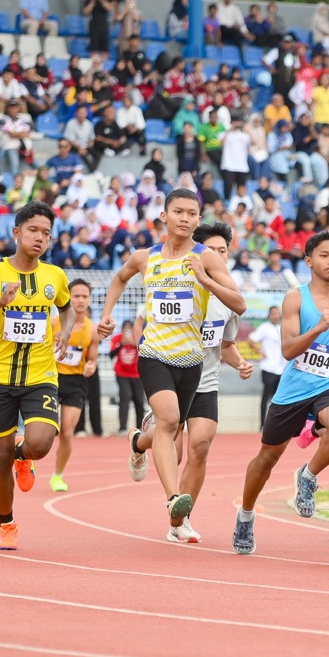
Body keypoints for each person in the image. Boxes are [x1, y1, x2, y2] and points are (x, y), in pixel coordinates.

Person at [97, 188, 246, 524]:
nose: (184, 218)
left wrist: (206, 280)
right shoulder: (144, 257)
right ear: (164, 216)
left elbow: (239, 304)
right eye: (178, 212)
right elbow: (119, 278)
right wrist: (107, 314)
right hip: (154, 354)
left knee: (174, 428)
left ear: (198, 219)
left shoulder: (206, 258)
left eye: (192, 213)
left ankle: (138, 443)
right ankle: (173, 500)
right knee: (168, 421)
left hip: (191, 360)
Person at [0, 201, 76, 551]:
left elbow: (67, 309)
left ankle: (24, 458)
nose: (40, 238)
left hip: (40, 373)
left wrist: (65, 331)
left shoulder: (55, 276)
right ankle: (6, 522)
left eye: (46, 233)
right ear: (17, 232)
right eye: (33, 230)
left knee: (39, 444)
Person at [234, 231, 329, 562]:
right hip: (295, 387)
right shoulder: (296, 299)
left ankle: (309, 476)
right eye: (325, 255)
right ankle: (245, 515)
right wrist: (317, 329)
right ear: (309, 260)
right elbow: (288, 350)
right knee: (266, 459)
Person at [49, 279, 99, 492]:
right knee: (43, 431)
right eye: (76, 296)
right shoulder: (52, 323)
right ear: (68, 298)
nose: (80, 300)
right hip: (50, 378)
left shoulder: (92, 330)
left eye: (84, 296)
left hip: (76, 382)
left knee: (67, 433)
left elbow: (93, 359)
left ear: (89, 299)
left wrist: (91, 366)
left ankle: (57, 476)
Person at [249, 307, 286, 427]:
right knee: (266, 395)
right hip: (268, 367)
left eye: (278, 313)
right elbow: (251, 340)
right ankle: (262, 424)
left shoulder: (281, 328)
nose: (276, 316)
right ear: (269, 315)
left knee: (277, 398)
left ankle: (275, 424)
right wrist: (260, 352)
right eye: (273, 313)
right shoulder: (265, 327)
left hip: (280, 369)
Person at [111, 321, 145, 435]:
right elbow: (110, 355)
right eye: (125, 329)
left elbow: (145, 353)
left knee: (139, 400)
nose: (127, 332)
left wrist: (135, 343)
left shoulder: (139, 338)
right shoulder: (117, 338)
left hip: (137, 374)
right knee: (125, 396)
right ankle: (122, 427)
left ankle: (140, 426)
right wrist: (120, 344)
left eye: (130, 329)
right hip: (122, 374)